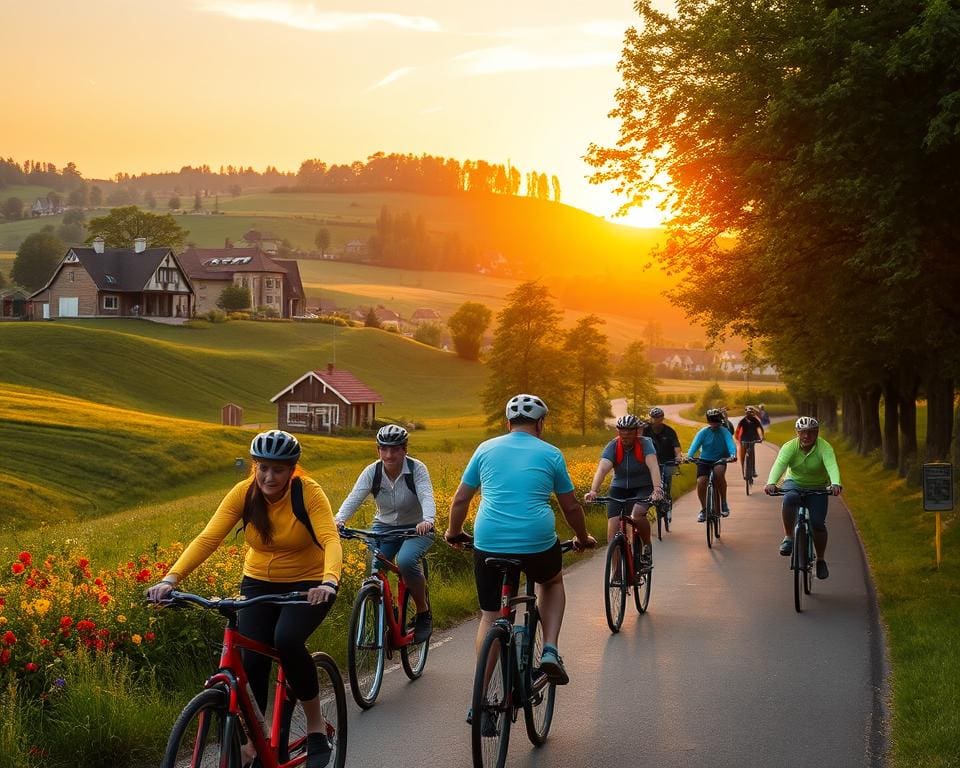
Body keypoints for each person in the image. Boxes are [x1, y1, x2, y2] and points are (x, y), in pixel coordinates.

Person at [147, 430, 341, 768]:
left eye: (278, 469)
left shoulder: (308, 492)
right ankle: (256, 743)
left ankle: (314, 728)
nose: (268, 476)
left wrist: (329, 580)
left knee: (287, 640)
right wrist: (170, 578)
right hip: (257, 584)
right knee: (250, 661)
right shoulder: (244, 493)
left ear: (292, 470)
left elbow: (330, 538)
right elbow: (209, 538)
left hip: (309, 584)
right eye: (262, 467)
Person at [445, 394, 596, 692]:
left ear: (507, 423)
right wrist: (581, 537)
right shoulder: (551, 453)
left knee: (490, 615)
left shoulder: (485, 449)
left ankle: (482, 695)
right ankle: (550, 649)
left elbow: (461, 499)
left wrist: (453, 532)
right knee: (551, 582)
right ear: (540, 424)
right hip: (536, 542)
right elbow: (571, 507)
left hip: (488, 541)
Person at [336, 424, 437, 643]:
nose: (389, 454)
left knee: (407, 560)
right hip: (384, 527)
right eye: (384, 449)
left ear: (404, 449)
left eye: (395, 449)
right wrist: (339, 520)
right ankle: (388, 610)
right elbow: (354, 497)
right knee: (373, 565)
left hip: (416, 528)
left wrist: (427, 520)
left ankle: (422, 613)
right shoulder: (372, 472)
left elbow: (426, 495)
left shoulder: (417, 469)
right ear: (378, 450)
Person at [764, 417, 842, 579]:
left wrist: (835, 483)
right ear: (797, 433)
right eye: (802, 432)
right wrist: (771, 482)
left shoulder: (824, 447)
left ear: (817, 433)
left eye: (811, 432)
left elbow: (832, 465)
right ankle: (788, 537)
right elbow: (780, 464)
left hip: (818, 486)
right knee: (789, 498)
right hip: (794, 482)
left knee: (818, 524)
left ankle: (820, 560)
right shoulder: (789, 447)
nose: (807, 436)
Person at [584, 414, 662, 571]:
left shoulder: (645, 443)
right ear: (618, 432)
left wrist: (657, 489)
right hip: (618, 488)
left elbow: (653, 466)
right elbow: (603, 468)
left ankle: (646, 546)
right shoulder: (613, 446)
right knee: (612, 532)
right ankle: (617, 574)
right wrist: (593, 491)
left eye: (629, 433)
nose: (625, 437)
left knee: (637, 515)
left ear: (637, 432)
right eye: (622, 433)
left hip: (643, 486)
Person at [686, 408, 737, 521]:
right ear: (708, 421)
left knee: (719, 474)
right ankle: (704, 509)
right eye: (712, 422)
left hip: (720, 459)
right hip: (704, 460)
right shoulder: (703, 432)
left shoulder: (724, 431)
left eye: (717, 422)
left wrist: (733, 455)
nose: (715, 424)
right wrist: (689, 456)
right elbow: (695, 444)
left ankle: (723, 502)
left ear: (720, 421)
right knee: (701, 482)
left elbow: (730, 443)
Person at [642, 406, 683, 522]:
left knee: (666, 482)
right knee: (650, 483)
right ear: (650, 418)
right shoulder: (646, 430)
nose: (656, 420)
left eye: (658, 417)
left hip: (667, 461)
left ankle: (667, 505)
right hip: (651, 461)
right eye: (654, 418)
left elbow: (676, 446)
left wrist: (678, 457)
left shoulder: (669, 431)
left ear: (662, 418)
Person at [734, 405, 765, 478]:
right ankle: (744, 471)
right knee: (743, 454)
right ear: (746, 413)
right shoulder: (742, 420)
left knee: (752, 454)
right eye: (748, 413)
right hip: (744, 439)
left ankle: (753, 470)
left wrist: (762, 437)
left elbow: (760, 428)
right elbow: (738, 430)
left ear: (752, 413)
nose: (749, 415)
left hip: (753, 439)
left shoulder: (755, 420)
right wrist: (737, 437)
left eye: (750, 413)